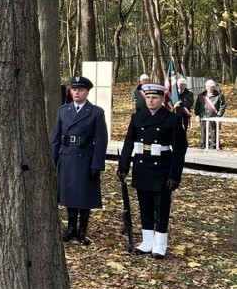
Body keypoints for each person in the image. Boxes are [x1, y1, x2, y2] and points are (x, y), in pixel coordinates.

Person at [118, 83, 188, 258]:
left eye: (154, 97)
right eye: (148, 97)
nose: (150, 100)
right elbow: (128, 143)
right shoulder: (137, 117)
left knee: (161, 208)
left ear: (163, 99)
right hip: (142, 166)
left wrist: (174, 175)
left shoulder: (172, 119)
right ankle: (147, 241)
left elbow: (180, 149)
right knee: (145, 206)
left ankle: (160, 244)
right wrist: (123, 165)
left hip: (162, 168)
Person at [50, 75, 108, 245]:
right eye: (74, 89)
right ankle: (71, 228)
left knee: (84, 195)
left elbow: (101, 140)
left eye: (81, 89)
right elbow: (56, 137)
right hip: (67, 157)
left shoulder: (96, 112)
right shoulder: (63, 110)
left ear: (87, 92)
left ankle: (82, 230)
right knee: (69, 194)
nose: (76, 92)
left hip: (85, 158)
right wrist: (52, 160)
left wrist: (97, 164)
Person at [194, 79, 227, 148]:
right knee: (203, 131)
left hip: (214, 116)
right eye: (208, 87)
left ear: (214, 87)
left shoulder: (219, 95)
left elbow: (222, 105)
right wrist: (197, 114)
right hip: (203, 115)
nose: (210, 88)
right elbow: (197, 105)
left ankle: (214, 145)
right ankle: (203, 144)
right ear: (206, 87)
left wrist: (219, 115)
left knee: (213, 131)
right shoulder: (201, 95)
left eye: (212, 87)